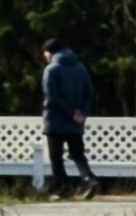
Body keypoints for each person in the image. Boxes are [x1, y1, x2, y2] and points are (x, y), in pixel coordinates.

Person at [40, 37, 97, 198]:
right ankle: (90, 179)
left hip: (56, 121)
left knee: (56, 157)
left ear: (49, 53)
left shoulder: (51, 69)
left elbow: (52, 96)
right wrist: (81, 114)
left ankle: (63, 188)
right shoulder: (80, 67)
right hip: (76, 122)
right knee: (78, 154)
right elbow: (89, 93)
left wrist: (70, 113)